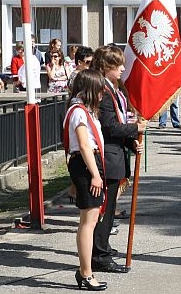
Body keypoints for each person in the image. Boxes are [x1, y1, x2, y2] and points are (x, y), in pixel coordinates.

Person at [90, 46, 145, 274]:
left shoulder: (113, 90)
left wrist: (132, 140)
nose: (123, 67)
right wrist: (135, 128)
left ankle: (103, 247)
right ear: (105, 67)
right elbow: (109, 126)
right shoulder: (103, 92)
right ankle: (99, 256)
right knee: (104, 210)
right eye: (118, 64)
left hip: (117, 154)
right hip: (108, 158)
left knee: (109, 210)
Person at [64, 69, 108, 291]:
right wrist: (96, 174)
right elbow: (83, 145)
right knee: (88, 222)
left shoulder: (84, 109)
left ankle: (85, 270)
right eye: (99, 89)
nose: (102, 93)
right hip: (85, 163)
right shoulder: (79, 111)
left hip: (87, 163)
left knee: (89, 221)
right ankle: (86, 273)